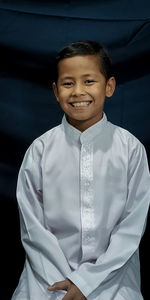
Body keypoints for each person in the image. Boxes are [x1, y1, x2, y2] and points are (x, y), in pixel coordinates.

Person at [11, 40, 150, 300]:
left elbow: (131, 227)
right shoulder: (40, 151)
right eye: (67, 83)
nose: (77, 91)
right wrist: (65, 281)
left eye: (89, 81)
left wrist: (86, 282)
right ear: (55, 91)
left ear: (109, 87)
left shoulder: (130, 149)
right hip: (47, 277)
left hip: (114, 278)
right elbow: (32, 227)